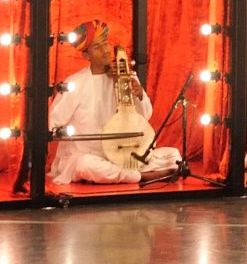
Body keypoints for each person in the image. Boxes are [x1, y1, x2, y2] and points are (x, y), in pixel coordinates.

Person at [47, 21, 183, 186]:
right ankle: (141, 177)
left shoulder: (125, 75)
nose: (105, 50)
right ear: (86, 56)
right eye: (97, 47)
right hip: (89, 156)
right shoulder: (75, 83)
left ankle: (127, 173)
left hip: (122, 153)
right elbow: (52, 122)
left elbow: (145, 116)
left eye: (105, 43)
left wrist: (139, 94)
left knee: (173, 156)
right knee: (85, 165)